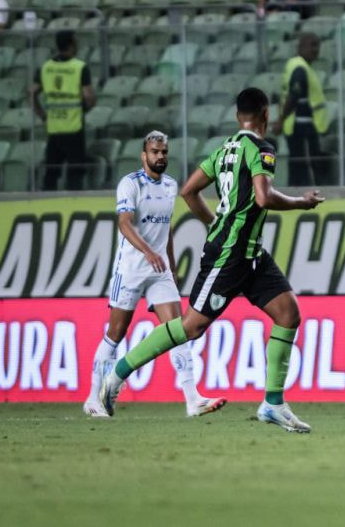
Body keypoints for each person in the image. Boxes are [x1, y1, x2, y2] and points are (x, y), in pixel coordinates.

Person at [100, 88, 325, 432]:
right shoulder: (261, 149)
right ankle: (116, 376)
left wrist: (215, 221)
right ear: (266, 114)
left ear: (238, 116)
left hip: (250, 252)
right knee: (191, 326)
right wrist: (300, 203)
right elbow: (263, 197)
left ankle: (273, 404)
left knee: (288, 314)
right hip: (229, 254)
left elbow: (188, 191)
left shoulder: (224, 150)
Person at [83, 131, 227, 419]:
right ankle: (92, 397)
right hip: (130, 269)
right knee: (115, 333)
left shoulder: (171, 185)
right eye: (154, 152)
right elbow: (124, 224)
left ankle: (193, 400)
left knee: (178, 331)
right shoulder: (130, 184)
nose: (160, 156)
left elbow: (166, 227)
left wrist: (171, 264)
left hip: (160, 271)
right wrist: (148, 252)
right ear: (144, 155)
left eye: (164, 152)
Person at [30, 30, 96, 191]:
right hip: (74, 127)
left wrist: (42, 115)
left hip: (53, 127)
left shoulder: (46, 67)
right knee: (75, 173)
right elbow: (89, 96)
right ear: (72, 44)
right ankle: (74, 202)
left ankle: (46, 202)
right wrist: (84, 109)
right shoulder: (79, 67)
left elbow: (32, 92)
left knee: (51, 173)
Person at [272, 33, 329, 187]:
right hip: (302, 127)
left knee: (297, 165)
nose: (316, 50)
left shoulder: (301, 67)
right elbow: (294, 95)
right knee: (304, 166)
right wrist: (280, 120)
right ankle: (303, 194)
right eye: (312, 45)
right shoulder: (300, 68)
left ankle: (295, 193)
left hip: (302, 126)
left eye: (317, 46)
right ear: (301, 47)